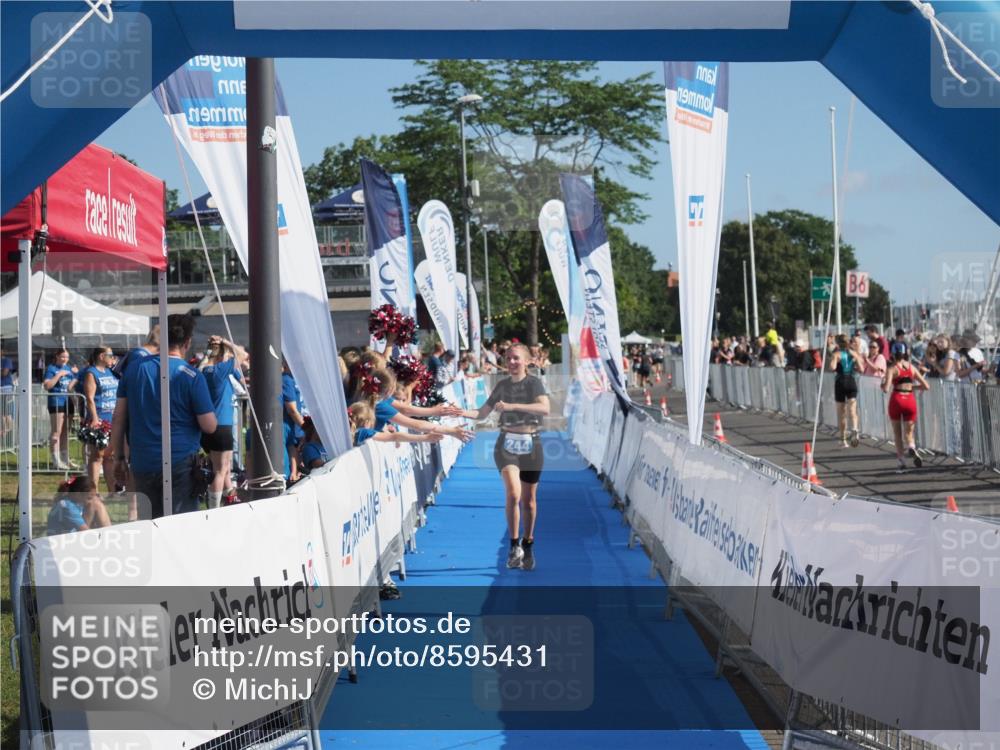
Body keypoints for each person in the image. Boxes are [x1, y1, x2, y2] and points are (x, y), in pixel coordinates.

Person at [111, 314, 217, 518]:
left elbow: (118, 418)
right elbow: (209, 425)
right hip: (180, 461)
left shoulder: (134, 368)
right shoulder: (191, 375)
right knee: (181, 526)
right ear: (187, 342)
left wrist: (119, 458)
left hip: (143, 461)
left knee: (150, 523)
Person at [460, 344, 549, 571]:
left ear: (527, 361)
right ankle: (514, 545)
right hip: (506, 445)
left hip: (531, 445)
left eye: (516, 358)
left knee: (529, 500)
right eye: (508, 358)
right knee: (513, 494)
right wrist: (460, 411)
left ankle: (528, 544)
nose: (511, 362)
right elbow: (482, 413)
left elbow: (544, 408)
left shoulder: (534, 383)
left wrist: (512, 405)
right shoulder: (501, 385)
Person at [200, 336, 246, 507]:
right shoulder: (219, 371)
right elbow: (242, 354)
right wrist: (225, 341)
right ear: (220, 357)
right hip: (222, 426)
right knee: (220, 470)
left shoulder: (204, 370)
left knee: (223, 468)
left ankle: (230, 498)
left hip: (210, 427)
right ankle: (214, 509)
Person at [883, 341, 929, 472]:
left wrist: (883, 384)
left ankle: (901, 461)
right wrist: (910, 386)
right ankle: (911, 446)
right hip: (909, 399)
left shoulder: (892, 368)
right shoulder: (912, 367)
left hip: (897, 399)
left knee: (897, 433)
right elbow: (926, 386)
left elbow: (886, 389)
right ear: (905, 353)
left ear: (892, 353)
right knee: (909, 431)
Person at [81, 347, 118, 493]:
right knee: (97, 456)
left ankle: (112, 491)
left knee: (110, 457)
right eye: (111, 355)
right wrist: (95, 419)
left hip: (113, 419)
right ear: (102, 356)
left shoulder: (111, 372)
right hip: (100, 420)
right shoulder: (91, 373)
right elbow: (90, 398)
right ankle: (93, 491)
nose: (113, 358)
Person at [43, 349, 78, 470]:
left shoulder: (69, 368)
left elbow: (72, 386)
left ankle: (65, 458)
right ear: (57, 356)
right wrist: (58, 375)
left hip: (68, 402)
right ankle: (56, 460)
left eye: (67, 357)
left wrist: (76, 374)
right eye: (63, 357)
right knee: (56, 432)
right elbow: (47, 386)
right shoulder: (51, 369)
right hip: (56, 402)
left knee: (65, 432)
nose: (65, 359)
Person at [46, 475, 111, 535]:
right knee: (96, 504)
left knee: (96, 502)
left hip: (67, 539)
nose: (90, 501)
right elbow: (86, 532)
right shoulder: (67, 507)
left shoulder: (73, 500)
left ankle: (108, 535)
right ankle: (108, 536)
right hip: (60, 544)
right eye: (89, 498)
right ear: (78, 494)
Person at [828, 334, 862, 448]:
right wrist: (855, 359)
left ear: (838, 343)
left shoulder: (836, 354)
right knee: (852, 408)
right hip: (851, 381)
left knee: (841, 412)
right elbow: (861, 369)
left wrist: (834, 361)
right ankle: (855, 429)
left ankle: (843, 440)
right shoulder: (853, 354)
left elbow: (832, 368)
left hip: (840, 382)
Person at [281, 360, 307, 482]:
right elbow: (291, 409)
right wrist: (306, 428)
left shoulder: (294, 380)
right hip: (291, 428)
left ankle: (294, 473)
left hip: (295, 429)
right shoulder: (286, 380)